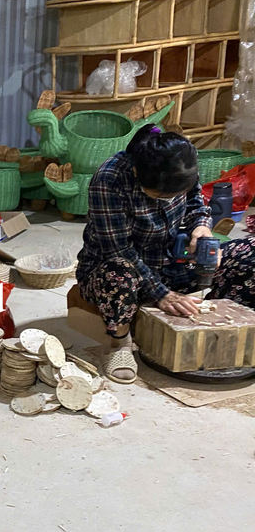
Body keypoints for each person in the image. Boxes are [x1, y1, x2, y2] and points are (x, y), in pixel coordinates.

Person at [76, 126, 255, 383]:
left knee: (250, 253)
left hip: (173, 264)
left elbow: (196, 204)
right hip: (120, 270)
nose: (167, 201)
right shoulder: (109, 179)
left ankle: (226, 326)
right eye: (161, 195)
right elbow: (118, 249)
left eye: (175, 195)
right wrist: (162, 294)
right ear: (137, 172)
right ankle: (120, 344)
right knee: (118, 270)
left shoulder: (181, 162)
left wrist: (201, 227)